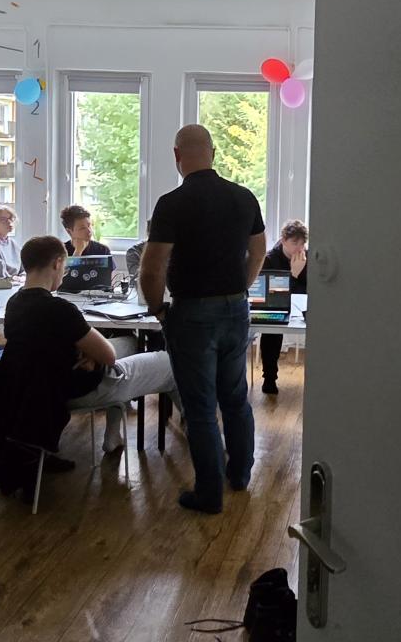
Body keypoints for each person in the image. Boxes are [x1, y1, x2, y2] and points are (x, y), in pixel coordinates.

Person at [0, 236, 178, 496]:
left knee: (128, 341)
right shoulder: (59, 309)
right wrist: (91, 353)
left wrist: (85, 351)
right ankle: (199, 437)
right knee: (170, 361)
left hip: (38, 391)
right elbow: (108, 356)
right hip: (74, 388)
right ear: (58, 263)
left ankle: (113, 434)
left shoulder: (15, 304)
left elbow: (52, 344)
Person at [139, 124, 267, 515]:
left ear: (177, 156)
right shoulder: (244, 197)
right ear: (213, 153)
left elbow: (152, 267)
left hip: (192, 314)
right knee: (235, 399)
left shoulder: (172, 203)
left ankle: (209, 494)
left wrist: (158, 309)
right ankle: (240, 475)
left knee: (200, 408)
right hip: (236, 310)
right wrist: (240, 287)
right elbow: (258, 252)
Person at [257, 220, 308, 394]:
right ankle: (269, 378)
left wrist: (297, 276)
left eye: (302, 243)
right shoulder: (270, 259)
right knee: (272, 332)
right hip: (275, 306)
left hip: (302, 306)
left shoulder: (306, 257)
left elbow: (308, 289)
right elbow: (273, 296)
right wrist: (294, 274)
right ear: (284, 240)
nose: (299, 248)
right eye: (295, 243)